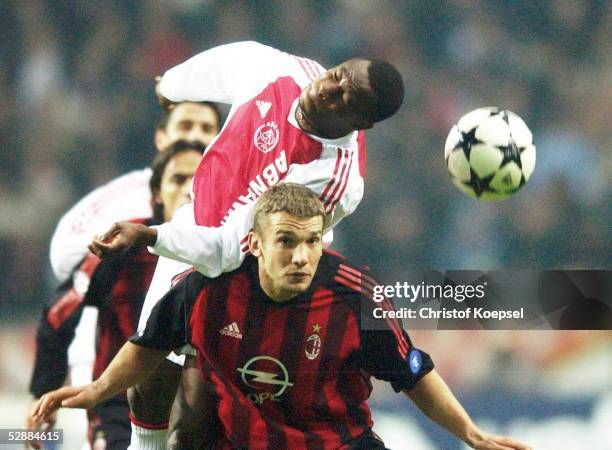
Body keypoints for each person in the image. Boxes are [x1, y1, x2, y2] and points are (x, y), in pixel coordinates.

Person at [32, 184, 531, 450]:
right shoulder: (205, 290)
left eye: (312, 241)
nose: (301, 256)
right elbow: (149, 345)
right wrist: (98, 390)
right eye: (286, 241)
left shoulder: (357, 298)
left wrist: (472, 434)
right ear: (254, 243)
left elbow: (413, 373)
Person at [85, 40, 403, 448]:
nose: (329, 89)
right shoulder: (278, 70)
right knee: (150, 383)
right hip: (197, 223)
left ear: (362, 123)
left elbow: (228, 249)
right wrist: (175, 85)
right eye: (337, 75)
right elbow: (223, 64)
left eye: (344, 99)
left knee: (196, 421)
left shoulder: (333, 179)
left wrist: (149, 235)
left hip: (250, 275)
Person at [25, 141, 205, 450]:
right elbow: (59, 316)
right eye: (178, 179)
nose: (190, 189)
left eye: (199, 180)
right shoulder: (123, 244)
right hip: (117, 403)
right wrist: (43, 394)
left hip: (196, 409)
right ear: (157, 195)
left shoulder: (225, 253)